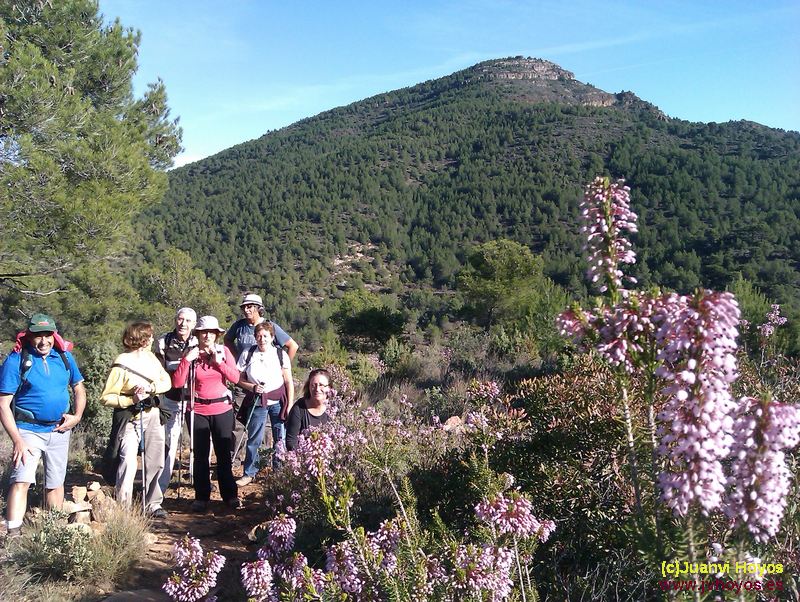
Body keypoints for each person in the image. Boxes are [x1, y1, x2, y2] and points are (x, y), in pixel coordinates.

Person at [0, 314, 86, 538]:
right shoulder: (16, 359)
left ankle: (54, 533)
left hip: (59, 429)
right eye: (38, 335)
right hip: (28, 430)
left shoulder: (64, 356)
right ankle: (14, 532)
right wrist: (17, 440)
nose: (44, 341)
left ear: (54, 335)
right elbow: (3, 404)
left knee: (56, 483)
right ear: (30, 336)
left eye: (48, 335)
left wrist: (76, 416)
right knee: (22, 480)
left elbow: (78, 387)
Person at [100, 322, 171, 517]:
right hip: (131, 417)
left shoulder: (152, 359)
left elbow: (166, 382)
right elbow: (106, 397)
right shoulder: (121, 362)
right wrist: (131, 399)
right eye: (150, 337)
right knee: (128, 461)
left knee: (155, 460)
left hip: (153, 413)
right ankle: (124, 507)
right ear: (142, 339)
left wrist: (151, 389)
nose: (152, 340)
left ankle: (153, 504)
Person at [172, 315, 241, 512]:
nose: (208, 335)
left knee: (223, 454)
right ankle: (201, 496)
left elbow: (235, 378)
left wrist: (218, 363)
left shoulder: (224, 352)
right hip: (197, 409)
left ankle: (230, 495)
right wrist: (187, 359)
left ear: (217, 335)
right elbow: (177, 383)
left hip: (222, 409)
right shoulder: (191, 354)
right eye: (204, 332)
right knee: (200, 455)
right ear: (199, 334)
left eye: (212, 332)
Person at [224, 292, 298, 463]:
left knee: (267, 426)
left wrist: (283, 368)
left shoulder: (270, 326)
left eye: (250, 306)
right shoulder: (239, 326)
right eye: (244, 307)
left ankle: (264, 460)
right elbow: (227, 340)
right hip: (245, 384)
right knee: (239, 421)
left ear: (259, 308)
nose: (246, 310)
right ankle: (235, 459)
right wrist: (237, 359)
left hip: (269, 389)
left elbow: (292, 346)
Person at [235, 322, 294, 485]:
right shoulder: (248, 353)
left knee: (279, 437)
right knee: (254, 437)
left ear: (272, 337)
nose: (262, 339)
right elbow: (237, 379)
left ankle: (279, 472)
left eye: (265, 336)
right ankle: (249, 472)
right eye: (259, 336)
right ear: (255, 337)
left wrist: (289, 405)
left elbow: (288, 382)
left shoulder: (281, 355)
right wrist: (252, 387)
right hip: (257, 400)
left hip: (278, 401)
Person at [154, 307, 198, 494]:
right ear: (175, 320)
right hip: (172, 400)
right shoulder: (163, 342)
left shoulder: (198, 342)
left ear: (194, 324)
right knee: (170, 442)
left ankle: (197, 481)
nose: (183, 324)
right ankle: (160, 487)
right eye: (180, 319)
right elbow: (157, 372)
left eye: (188, 321)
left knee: (199, 443)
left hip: (196, 401)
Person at [285, 369, 332, 451]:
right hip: (304, 457)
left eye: (321, 385)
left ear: (329, 388)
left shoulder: (335, 409)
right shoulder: (299, 408)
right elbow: (291, 442)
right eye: (313, 385)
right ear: (309, 387)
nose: (317, 389)